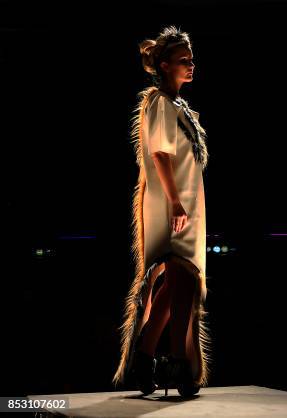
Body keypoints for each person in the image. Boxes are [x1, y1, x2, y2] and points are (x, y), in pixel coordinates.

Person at [112, 25, 211, 397]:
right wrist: (174, 201)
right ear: (165, 65)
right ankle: (177, 361)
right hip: (173, 203)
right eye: (184, 61)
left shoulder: (177, 104)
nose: (191, 66)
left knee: (180, 281)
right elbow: (161, 155)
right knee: (179, 277)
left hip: (185, 202)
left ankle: (148, 355)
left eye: (192, 59)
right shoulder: (159, 103)